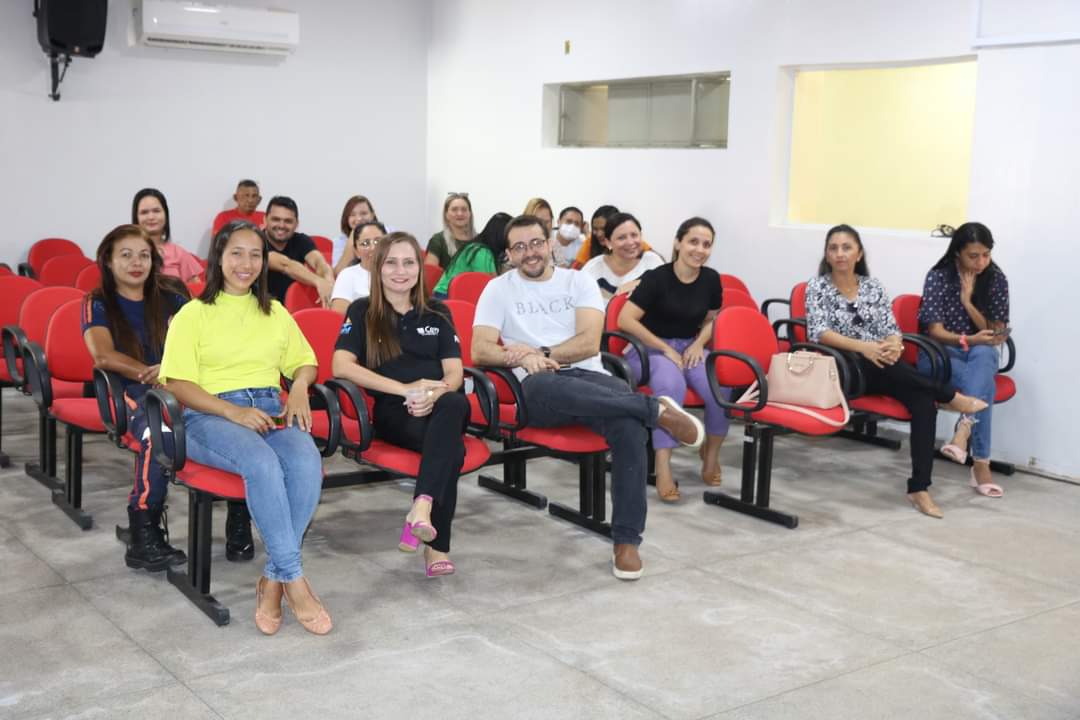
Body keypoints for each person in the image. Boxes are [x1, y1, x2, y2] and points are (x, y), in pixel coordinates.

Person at [471, 214, 705, 581]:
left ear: (549, 244)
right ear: (509, 255)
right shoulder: (497, 289)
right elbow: (481, 350)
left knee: (628, 428)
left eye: (535, 243)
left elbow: (588, 342)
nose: (528, 253)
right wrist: (524, 357)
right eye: (518, 247)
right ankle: (652, 408)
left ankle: (627, 541)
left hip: (589, 375)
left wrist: (543, 351)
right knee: (549, 384)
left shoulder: (578, 281)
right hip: (537, 388)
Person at [159, 220, 332, 635]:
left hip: (271, 409)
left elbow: (304, 363)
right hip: (209, 416)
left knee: (307, 460)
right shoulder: (193, 314)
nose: (247, 263)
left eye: (256, 254)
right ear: (218, 257)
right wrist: (230, 412)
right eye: (236, 252)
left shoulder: (274, 312)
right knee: (261, 463)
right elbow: (177, 382)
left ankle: (272, 579)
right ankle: (294, 579)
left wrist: (299, 389)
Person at [806, 224, 988, 519]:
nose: (840, 254)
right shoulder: (817, 287)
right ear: (827, 254)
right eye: (833, 248)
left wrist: (893, 344)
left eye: (846, 247)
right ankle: (950, 395)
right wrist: (865, 347)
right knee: (884, 363)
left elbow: (891, 330)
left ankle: (919, 488)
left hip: (883, 366)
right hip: (843, 369)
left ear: (859, 253)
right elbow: (819, 332)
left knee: (922, 402)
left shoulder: (873, 286)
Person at [332, 232, 468, 577]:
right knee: (452, 449)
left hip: (439, 406)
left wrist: (433, 394)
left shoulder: (437, 310)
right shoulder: (362, 310)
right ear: (378, 268)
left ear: (420, 269)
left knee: (454, 403)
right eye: (391, 262)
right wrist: (405, 390)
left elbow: (454, 372)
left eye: (409, 262)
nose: (400, 270)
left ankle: (420, 508)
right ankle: (436, 546)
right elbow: (341, 366)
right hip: (395, 411)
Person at [82, 224, 189, 571]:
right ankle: (143, 529)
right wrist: (154, 373)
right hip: (130, 391)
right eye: (125, 255)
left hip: (178, 384)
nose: (136, 262)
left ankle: (237, 522)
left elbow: (200, 341)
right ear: (108, 261)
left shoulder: (172, 294)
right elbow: (103, 356)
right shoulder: (97, 302)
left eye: (144, 254)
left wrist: (171, 372)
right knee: (158, 432)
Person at [617, 217, 730, 501]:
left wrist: (699, 344)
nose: (699, 249)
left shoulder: (711, 279)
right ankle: (663, 464)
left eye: (706, 244)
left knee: (720, 385)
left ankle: (711, 455)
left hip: (689, 347)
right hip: (648, 348)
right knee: (671, 386)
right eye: (693, 241)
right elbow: (625, 320)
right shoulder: (658, 278)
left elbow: (712, 320)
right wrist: (664, 348)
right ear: (678, 243)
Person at [918, 222, 1010, 496]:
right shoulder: (939, 277)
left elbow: (995, 333)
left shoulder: (996, 278)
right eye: (973, 255)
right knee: (985, 387)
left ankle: (964, 431)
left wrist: (969, 303)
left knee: (984, 354)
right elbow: (934, 331)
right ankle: (981, 464)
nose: (981, 262)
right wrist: (968, 339)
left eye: (986, 254)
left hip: (977, 354)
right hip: (938, 355)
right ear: (958, 252)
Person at [263, 196, 335, 307]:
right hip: (264, 308)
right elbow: (286, 265)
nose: (281, 225)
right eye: (276, 219)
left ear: (296, 224)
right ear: (265, 220)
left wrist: (328, 279)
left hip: (295, 309)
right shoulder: (257, 242)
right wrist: (318, 281)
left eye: (288, 221)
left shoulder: (301, 240)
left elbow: (318, 261)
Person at [580, 212, 664, 299]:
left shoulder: (652, 262)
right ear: (608, 242)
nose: (630, 242)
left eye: (634, 235)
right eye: (621, 238)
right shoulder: (593, 268)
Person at [431, 212, 511, 299]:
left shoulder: (482, 249)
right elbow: (492, 286)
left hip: (456, 295)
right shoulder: (480, 252)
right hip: (445, 297)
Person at [132, 188, 203, 284]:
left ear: (165, 214)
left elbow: (196, 291)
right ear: (136, 218)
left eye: (156, 211)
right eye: (144, 212)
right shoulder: (128, 253)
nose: (151, 217)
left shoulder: (178, 253)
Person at [330, 221, 384, 313]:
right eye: (365, 243)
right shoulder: (347, 275)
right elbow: (339, 317)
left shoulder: (399, 273)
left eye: (377, 241)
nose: (373, 248)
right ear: (356, 251)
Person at [331, 195, 379, 275]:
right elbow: (338, 274)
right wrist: (354, 235)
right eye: (352, 215)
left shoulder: (388, 231)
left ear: (372, 215)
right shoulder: (340, 241)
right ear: (347, 219)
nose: (359, 218)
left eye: (364, 213)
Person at [425, 192, 475, 269]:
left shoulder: (480, 241)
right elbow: (430, 275)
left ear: (470, 214)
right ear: (446, 214)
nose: (460, 213)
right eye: (454, 209)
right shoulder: (438, 240)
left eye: (464, 209)